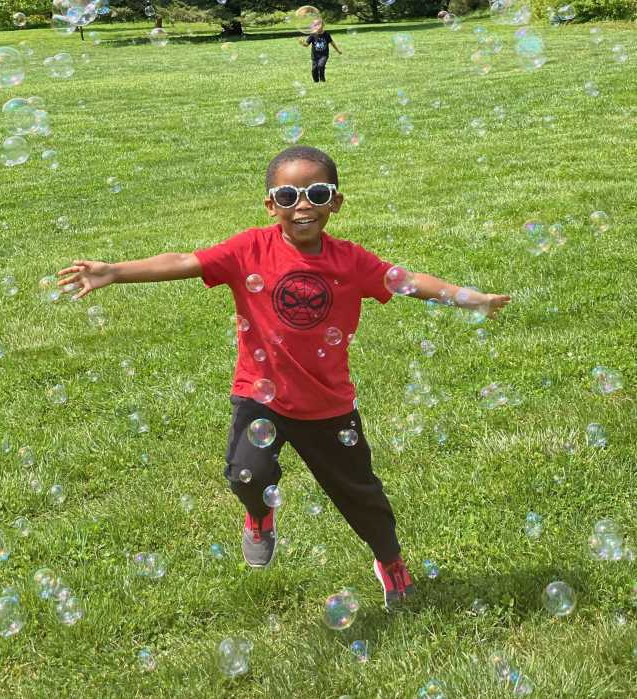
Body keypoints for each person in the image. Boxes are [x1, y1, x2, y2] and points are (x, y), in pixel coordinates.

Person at [57, 146, 510, 608]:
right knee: (247, 476)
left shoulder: (351, 261)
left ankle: (389, 560)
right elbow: (184, 261)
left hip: (327, 405)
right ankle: (259, 517)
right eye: (288, 195)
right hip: (261, 395)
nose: (303, 205)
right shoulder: (249, 249)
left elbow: (406, 280)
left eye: (317, 193)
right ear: (271, 205)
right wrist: (115, 272)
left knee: (361, 495)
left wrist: (469, 297)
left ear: (336, 202)